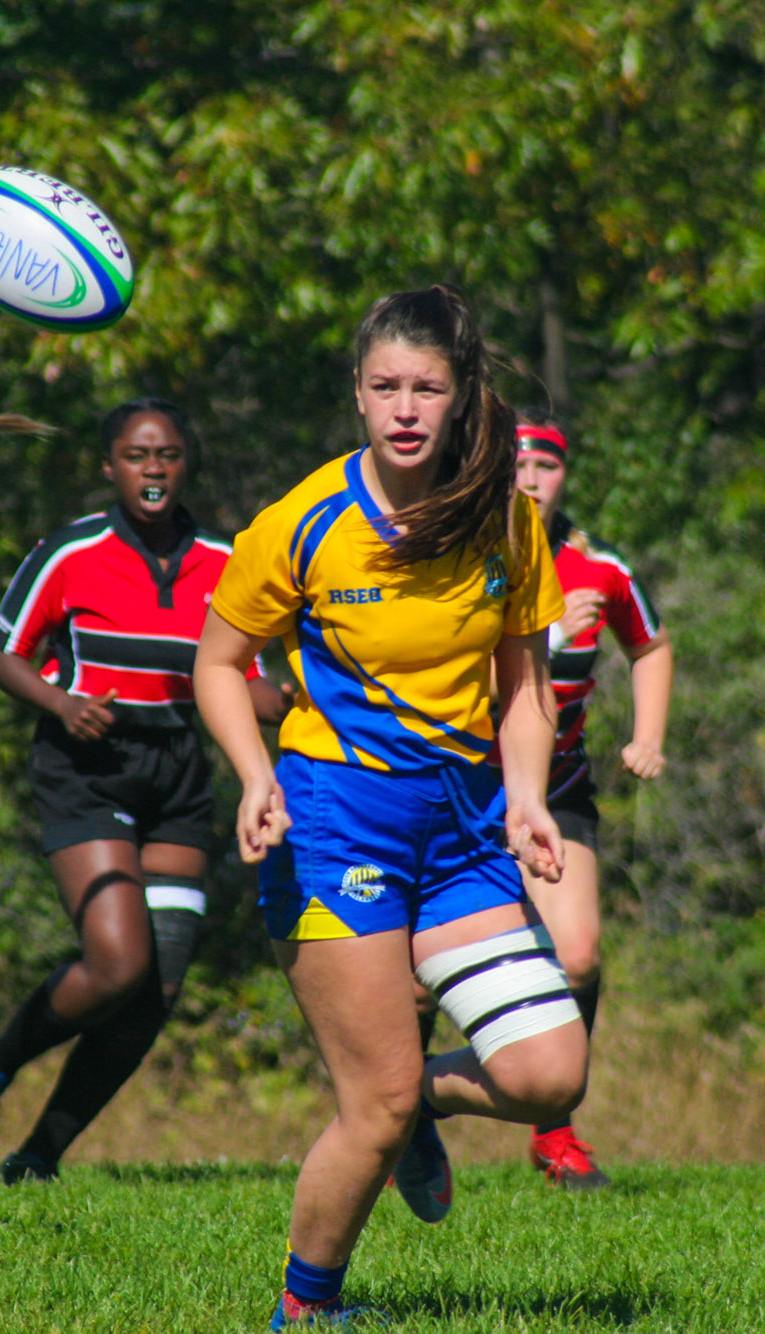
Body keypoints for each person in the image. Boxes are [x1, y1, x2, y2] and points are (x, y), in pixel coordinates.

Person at [193, 285, 588, 1327]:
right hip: (335, 821)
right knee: (372, 1101)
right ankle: (306, 1309)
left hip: (463, 827)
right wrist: (254, 774)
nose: (405, 409)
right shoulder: (301, 522)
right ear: (358, 395)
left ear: (461, 397)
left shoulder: (506, 518)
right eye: (385, 387)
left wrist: (527, 799)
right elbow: (218, 664)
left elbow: (525, 683)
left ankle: (421, 1106)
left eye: (427, 388)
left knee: (549, 1077)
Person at [0, 397, 282, 1182]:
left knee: (154, 992)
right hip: (86, 765)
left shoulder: (227, 560)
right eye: (136, 456)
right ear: (110, 468)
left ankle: (38, 1158)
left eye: (167, 454)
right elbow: (1, 653)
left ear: (185, 465)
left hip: (178, 772)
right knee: (118, 963)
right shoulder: (72, 552)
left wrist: (306, 696)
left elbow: (251, 680)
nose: (153, 468)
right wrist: (61, 703)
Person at [508, 411, 672, 1189]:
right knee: (414, 978)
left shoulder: (597, 568)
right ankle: (404, 1122)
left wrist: (648, 735)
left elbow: (650, 645)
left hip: (559, 782)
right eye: (515, 466)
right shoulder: (461, 557)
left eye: (545, 467)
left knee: (576, 956)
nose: (530, 481)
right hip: (465, 784)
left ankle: (555, 1131)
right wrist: (546, 638)